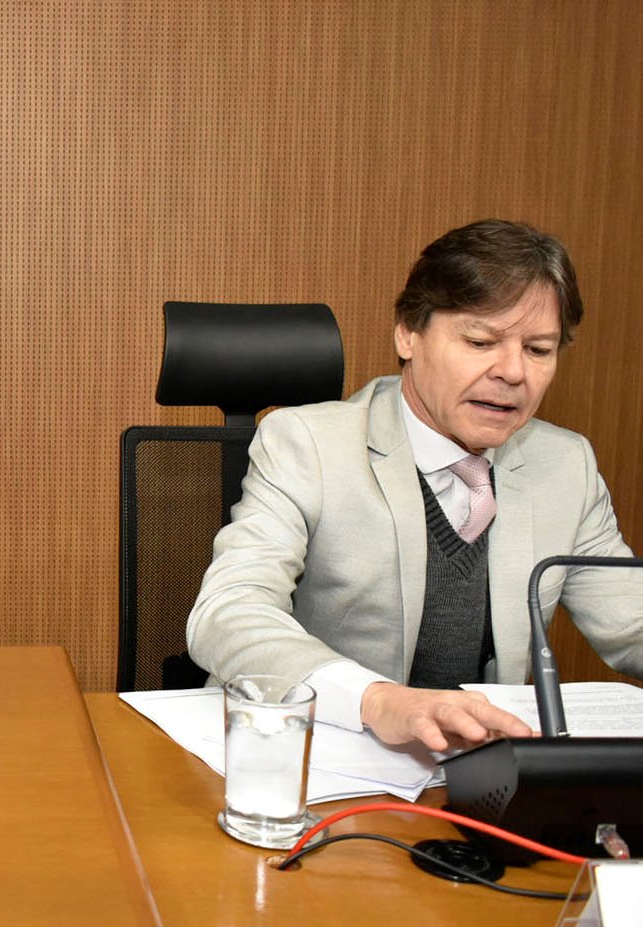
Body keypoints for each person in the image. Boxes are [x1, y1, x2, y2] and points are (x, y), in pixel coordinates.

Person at [187, 219, 643, 751]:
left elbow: (630, 619)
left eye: (538, 350)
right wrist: (379, 701)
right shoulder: (307, 444)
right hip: (314, 754)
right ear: (408, 333)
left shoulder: (565, 465)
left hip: (474, 771)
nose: (513, 372)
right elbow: (229, 612)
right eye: (481, 341)